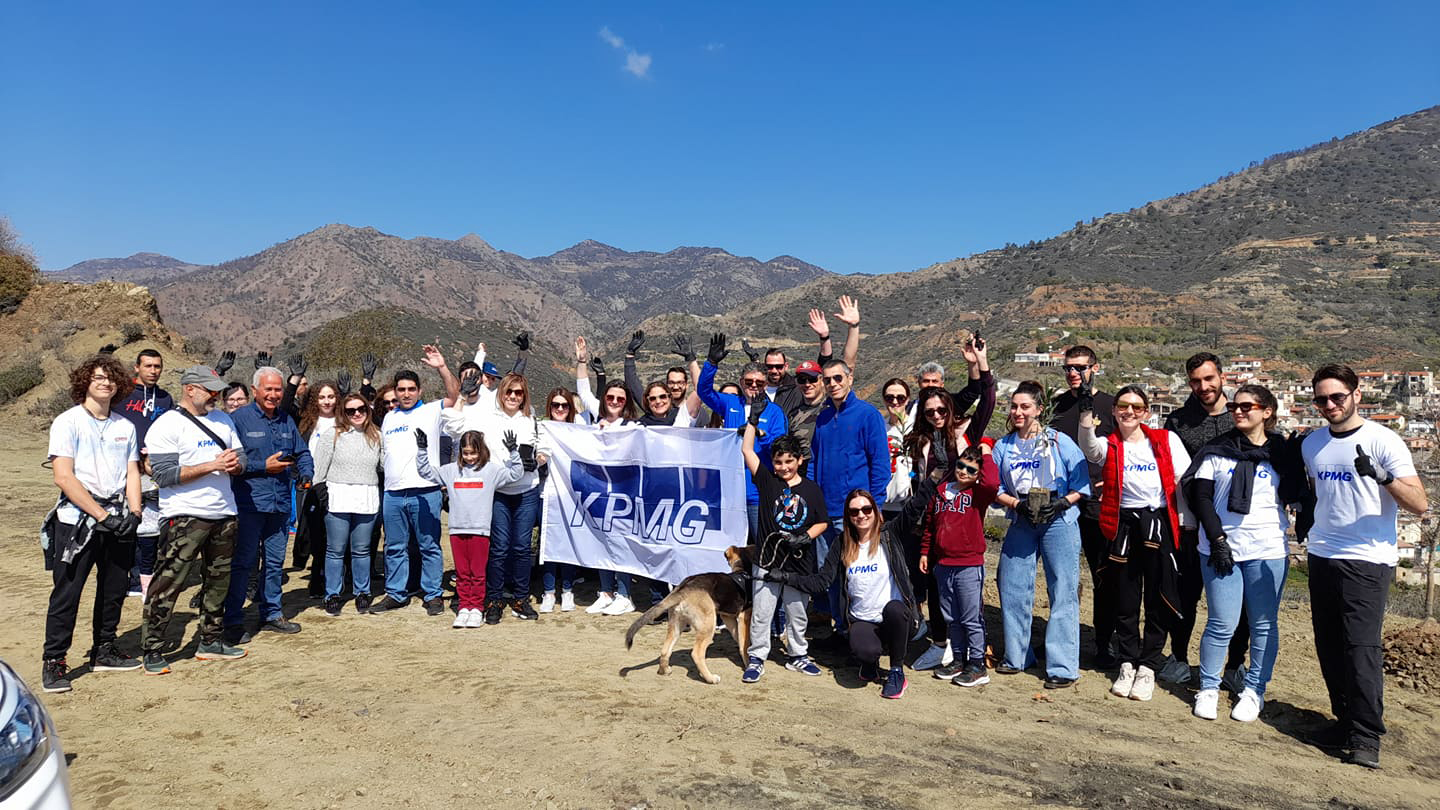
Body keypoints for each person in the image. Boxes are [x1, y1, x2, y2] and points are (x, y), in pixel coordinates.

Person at [1301, 364, 1427, 769]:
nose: (1330, 405)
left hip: (1368, 558)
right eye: (1321, 399)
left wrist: (1383, 477)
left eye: (1337, 396)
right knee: (1329, 644)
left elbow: (1420, 504)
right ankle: (1344, 722)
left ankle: (1366, 736)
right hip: (1323, 552)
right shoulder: (1312, 444)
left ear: (1356, 394)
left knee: (1361, 648)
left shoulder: (1383, 440)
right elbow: (1318, 493)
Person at [1181, 384, 1308, 722]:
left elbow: (1295, 494)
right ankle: (1209, 687)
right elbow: (1201, 497)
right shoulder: (1216, 450)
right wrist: (1217, 539)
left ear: (1267, 412)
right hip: (1220, 547)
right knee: (1221, 622)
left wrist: (1296, 459)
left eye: (1246, 406)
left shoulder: (1281, 452)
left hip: (1267, 549)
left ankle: (1254, 689)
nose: (1238, 411)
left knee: (1263, 624)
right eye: (1234, 406)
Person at [1078, 385, 1193, 702]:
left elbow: (1184, 481)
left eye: (1137, 407)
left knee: (1158, 597)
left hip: (1157, 523)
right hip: (1123, 525)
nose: (1129, 412)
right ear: (1114, 411)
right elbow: (1089, 448)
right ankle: (1127, 661)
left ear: (1146, 412)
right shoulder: (1110, 444)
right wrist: (1086, 413)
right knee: (1125, 598)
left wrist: (1188, 524)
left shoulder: (1165, 441)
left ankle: (1148, 666)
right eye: (1123, 406)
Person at [39, 355, 144, 692]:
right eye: (98, 377)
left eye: (110, 378)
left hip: (119, 519)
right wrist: (102, 516)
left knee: (114, 590)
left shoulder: (125, 426)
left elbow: (132, 472)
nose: (105, 383)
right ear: (85, 381)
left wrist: (135, 513)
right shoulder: (68, 422)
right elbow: (63, 476)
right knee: (67, 593)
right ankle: (54, 661)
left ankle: (104, 649)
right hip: (77, 522)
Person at [140, 366, 248, 675]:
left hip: (224, 512)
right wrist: (211, 465)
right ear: (190, 389)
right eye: (210, 390)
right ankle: (152, 648)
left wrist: (235, 465)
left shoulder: (223, 420)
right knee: (168, 582)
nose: (216, 395)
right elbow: (163, 475)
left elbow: (241, 458)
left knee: (218, 581)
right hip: (184, 515)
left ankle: (210, 641)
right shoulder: (166, 425)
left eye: (218, 390)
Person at [767, 489, 918, 699]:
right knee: (864, 651)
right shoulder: (842, 543)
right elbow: (821, 581)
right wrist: (786, 577)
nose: (861, 515)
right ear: (848, 516)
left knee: (895, 609)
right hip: (863, 619)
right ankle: (869, 663)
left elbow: (914, 508)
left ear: (875, 511)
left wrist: (936, 477)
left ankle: (896, 671)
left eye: (866, 509)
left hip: (896, 620)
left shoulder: (889, 535)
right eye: (854, 511)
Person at [902, 334, 996, 671]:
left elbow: (987, 400)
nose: (937, 415)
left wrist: (981, 363)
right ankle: (942, 644)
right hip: (930, 518)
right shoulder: (921, 440)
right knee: (933, 584)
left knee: (964, 588)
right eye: (930, 412)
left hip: (962, 517)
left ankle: (972, 652)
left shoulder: (966, 432)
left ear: (950, 409)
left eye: (942, 409)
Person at [992, 380, 1092, 689]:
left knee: (1062, 589)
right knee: (1012, 585)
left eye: (1025, 406)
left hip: (1057, 518)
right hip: (1022, 517)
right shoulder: (1003, 446)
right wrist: (1016, 505)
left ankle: (1062, 667)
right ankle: (1017, 656)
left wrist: (1062, 503)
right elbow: (994, 486)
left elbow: (1081, 483)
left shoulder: (1059, 441)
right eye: (1014, 406)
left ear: (1039, 409)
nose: (1018, 412)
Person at [441, 370, 547, 623]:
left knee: (521, 548)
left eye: (518, 393)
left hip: (526, 490)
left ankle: (520, 599)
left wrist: (538, 460)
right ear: (501, 393)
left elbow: (545, 448)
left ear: (524, 396)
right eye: (508, 391)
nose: (513, 396)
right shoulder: (486, 418)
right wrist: (462, 397)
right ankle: (495, 599)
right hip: (498, 492)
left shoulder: (531, 420)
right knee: (498, 548)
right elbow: (453, 428)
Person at [1164, 352, 1244, 687]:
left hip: (1236, 524)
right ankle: (1179, 658)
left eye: (1209, 379)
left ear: (1222, 377)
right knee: (1185, 594)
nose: (1203, 386)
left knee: (1239, 603)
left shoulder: (1241, 415)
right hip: (1190, 524)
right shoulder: (1178, 421)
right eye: (1196, 381)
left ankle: (1234, 666)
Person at [738, 404, 830, 683]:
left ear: (799, 460)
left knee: (797, 612)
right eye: (778, 462)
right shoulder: (767, 481)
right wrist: (752, 422)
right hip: (767, 560)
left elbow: (822, 522)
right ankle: (757, 657)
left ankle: (798, 654)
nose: (784, 467)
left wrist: (806, 536)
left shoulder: (811, 489)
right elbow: (747, 450)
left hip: (799, 562)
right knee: (762, 612)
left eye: (789, 461)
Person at [368, 345, 461, 615]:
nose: (406, 394)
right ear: (395, 392)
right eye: (401, 390)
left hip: (425, 491)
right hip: (394, 494)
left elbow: (454, 395)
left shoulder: (432, 411)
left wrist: (442, 367)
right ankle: (396, 593)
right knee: (395, 547)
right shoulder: (389, 418)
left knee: (429, 546)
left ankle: (432, 594)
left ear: (419, 391)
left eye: (411, 389)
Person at [225, 366, 315, 641]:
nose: (274, 394)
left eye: (278, 389)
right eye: (269, 389)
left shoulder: (286, 419)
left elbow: (302, 452)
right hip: (249, 504)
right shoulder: (238, 420)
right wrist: (262, 466)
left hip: (280, 505)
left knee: (275, 563)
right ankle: (233, 620)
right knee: (244, 563)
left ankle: (272, 613)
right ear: (255, 390)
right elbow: (231, 462)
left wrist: (306, 474)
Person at [1048, 345, 1119, 670]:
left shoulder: (1111, 405)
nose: (1073, 373)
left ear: (1095, 368)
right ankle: (1062, 638)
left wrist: (1110, 484)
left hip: (1096, 504)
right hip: (1061, 504)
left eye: (1080, 367)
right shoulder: (1056, 406)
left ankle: (1104, 643)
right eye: (1068, 368)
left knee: (1102, 576)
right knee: (1061, 576)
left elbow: (1121, 451)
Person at [809, 359, 889, 637]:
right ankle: (841, 629)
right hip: (824, 513)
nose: (833, 384)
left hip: (855, 514)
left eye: (838, 378)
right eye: (828, 379)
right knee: (830, 575)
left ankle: (862, 631)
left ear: (849, 379)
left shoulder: (868, 415)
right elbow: (814, 461)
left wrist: (875, 505)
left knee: (857, 575)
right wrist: (812, 499)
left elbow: (880, 463)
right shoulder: (822, 418)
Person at [418, 427, 523, 628]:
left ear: (481, 450)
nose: (469, 457)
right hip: (457, 530)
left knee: (477, 572)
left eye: (473, 453)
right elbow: (426, 472)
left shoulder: (491, 471)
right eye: (465, 453)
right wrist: (422, 450)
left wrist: (513, 452)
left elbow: (515, 474)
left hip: (480, 531)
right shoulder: (450, 470)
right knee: (463, 573)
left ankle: (476, 607)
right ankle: (464, 606)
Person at [919, 444, 999, 687]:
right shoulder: (941, 492)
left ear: (978, 473)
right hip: (943, 563)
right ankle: (958, 659)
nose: (964, 471)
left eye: (971, 470)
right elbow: (930, 525)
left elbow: (992, 483)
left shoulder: (978, 494)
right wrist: (925, 552)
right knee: (951, 617)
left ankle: (977, 664)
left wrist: (986, 454)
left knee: (970, 617)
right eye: (961, 466)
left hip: (968, 564)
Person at [697, 333, 789, 541]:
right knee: (732, 551)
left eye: (759, 383)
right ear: (741, 382)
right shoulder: (731, 403)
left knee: (762, 546)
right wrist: (711, 363)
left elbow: (779, 449)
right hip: (730, 493)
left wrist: (759, 433)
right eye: (749, 381)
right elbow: (704, 392)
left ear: (766, 385)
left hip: (757, 494)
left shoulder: (774, 412)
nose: (754, 386)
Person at [311, 392, 384, 616]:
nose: (357, 414)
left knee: (362, 550)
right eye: (351, 410)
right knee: (335, 549)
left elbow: (383, 466)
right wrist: (321, 492)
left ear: (368, 410)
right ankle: (332, 594)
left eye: (361, 409)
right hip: (338, 497)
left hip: (366, 496)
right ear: (343, 412)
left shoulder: (377, 436)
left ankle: (362, 592)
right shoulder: (332, 435)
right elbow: (319, 469)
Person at [115, 349, 172, 598]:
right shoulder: (122, 393)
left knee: (148, 528)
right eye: (148, 366)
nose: (153, 371)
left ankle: (142, 578)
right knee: (123, 522)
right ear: (137, 367)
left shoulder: (165, 399)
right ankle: (122, 576)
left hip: (152, 470)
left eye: (157, 366)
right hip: (122, 468)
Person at [296, 380, 340, 596]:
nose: (327, 401)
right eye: (322, 397)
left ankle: (332, 576)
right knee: (313, 532)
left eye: (331, 396)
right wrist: (293, 382)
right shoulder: (306, 422)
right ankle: (317, 573)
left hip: (337, 483)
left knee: (334, 533)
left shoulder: (344, 421)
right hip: (310, 484)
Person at [622, 331, 703, 426]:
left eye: (663, 396)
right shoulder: (641, 425)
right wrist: (629, 356)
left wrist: (691, 360)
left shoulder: (681, 416)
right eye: (652, 399)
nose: (658, 401)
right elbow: (633, 386)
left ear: (669, 397)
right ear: (647, 401)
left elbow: (701, 390)